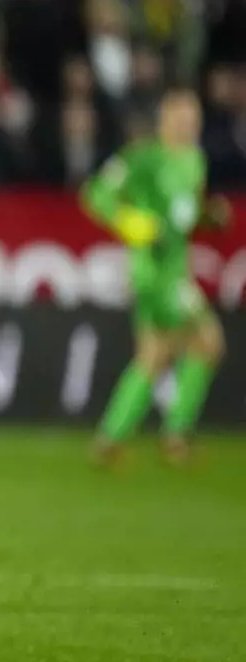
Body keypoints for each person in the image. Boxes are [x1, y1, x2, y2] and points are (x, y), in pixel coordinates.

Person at [81, 88, 231, 466]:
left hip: (176, 269)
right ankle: (175, 435)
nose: (187, 126)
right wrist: (129, 222)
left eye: (193, 119)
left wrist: (209, 216)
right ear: (163, 121)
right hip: (154, 271)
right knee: (207, 342)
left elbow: (184, 215)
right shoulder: (142, 158)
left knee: (154, 355)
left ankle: (112, 437)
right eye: (180, 118)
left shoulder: (194, 160)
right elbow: (95, 194)